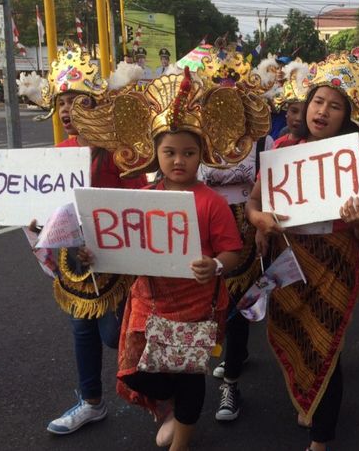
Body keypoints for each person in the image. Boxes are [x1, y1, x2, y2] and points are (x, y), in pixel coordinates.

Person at [84, 66, 269, 450]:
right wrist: (93, 252)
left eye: (189, 152)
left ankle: (182, 440)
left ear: (202, 154)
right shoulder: (143, 197)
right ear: (156, 153)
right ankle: (167, 408)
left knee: (188, 376)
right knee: (133, 371)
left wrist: (216, 265)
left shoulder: (212, 203)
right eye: (169, 152)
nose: (179, 160)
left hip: (195, 304)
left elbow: (232, 251)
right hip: (146, 301)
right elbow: (119, 241)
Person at [246, 48, 359, 451]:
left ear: (347, 116)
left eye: (334, 106)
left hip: (335, 268)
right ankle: (309, 398)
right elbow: (253, 203)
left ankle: (321, 439)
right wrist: (258, 221)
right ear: (305, 106)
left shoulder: (358, 164)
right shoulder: (282, 148)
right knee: (298, 337)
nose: (322, 111)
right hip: (289, 263)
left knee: (328, 348)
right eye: (318, 101)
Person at [18, 41, 146, 435]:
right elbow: (41, 207)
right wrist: (37, 222)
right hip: (74, 262)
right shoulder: (57, 154)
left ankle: (160, 392)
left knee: (114, 336)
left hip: (116, 264)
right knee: (81, 330)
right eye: (63, 105)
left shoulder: (122, 156)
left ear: (100, 109)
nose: (69, 112)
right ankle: (91, 402)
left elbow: (139, 207)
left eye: (80, 103)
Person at [194, 45, 275, 423]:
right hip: (204, 223)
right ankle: (223, 359)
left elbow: (273, 186)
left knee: (239, 305)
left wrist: (262, 226)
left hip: (245, 225)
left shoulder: (262, 142)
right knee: (207, 303)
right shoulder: (195, 140)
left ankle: (232, 383)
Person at [272, 59, 311, 148]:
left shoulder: (298, 89)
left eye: (283, 68)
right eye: (277, 68)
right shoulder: (270, 88)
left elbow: (276, 109)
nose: (280, 71)